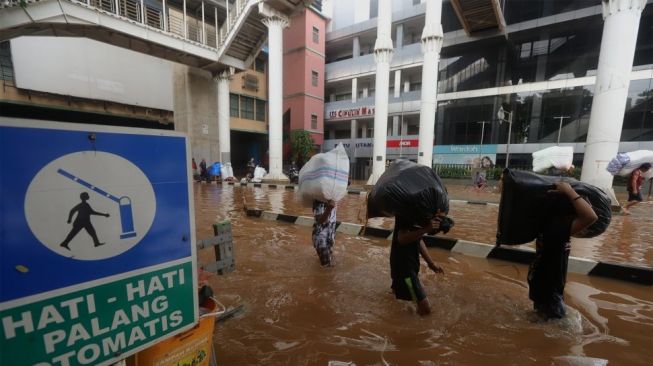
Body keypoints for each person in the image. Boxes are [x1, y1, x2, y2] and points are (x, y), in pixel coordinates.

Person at [528, 182, 597, 319]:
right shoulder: (558, 230)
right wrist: (569, 191)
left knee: (540, 318)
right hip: (550, 293)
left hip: (540, 286)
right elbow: (591, 217)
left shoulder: (546, 226)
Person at [391, 212, 452, 316]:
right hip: (405, 269)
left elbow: (418, 239)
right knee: (425, 308)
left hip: (407, 266)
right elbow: (401, 238)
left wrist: (431, 264)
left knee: (403, 296)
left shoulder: (417, 216)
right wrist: (426, 229)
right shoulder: (406, 214)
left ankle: (395, 312)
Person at [312, 199, 337, 267]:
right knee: (326, 267)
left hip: (330, 236)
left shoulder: (332, 199)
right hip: (321, 239)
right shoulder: (318, 202)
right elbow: (320, 221)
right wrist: (329, 208)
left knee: (330, 263)